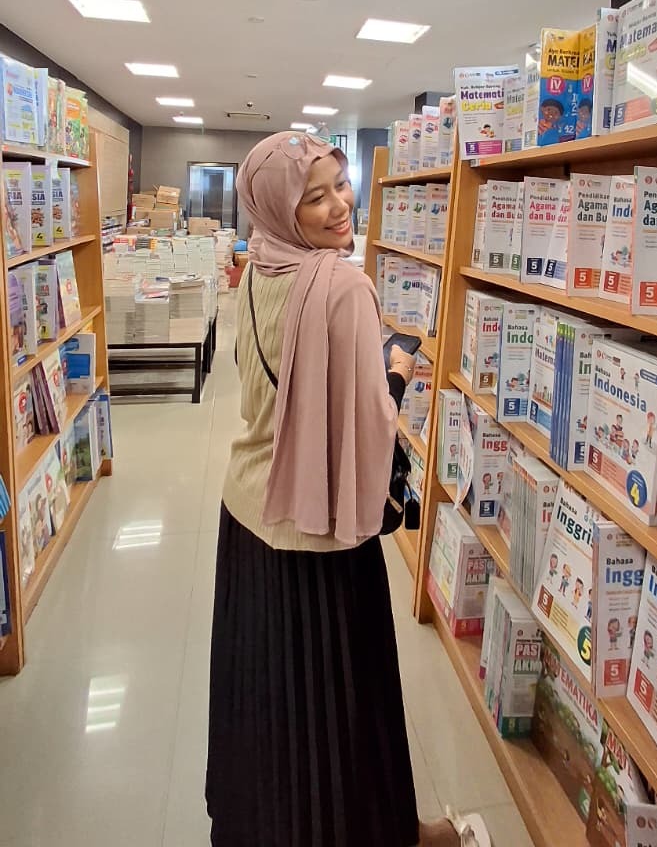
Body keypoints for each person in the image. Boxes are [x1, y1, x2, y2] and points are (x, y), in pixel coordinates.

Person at [206, 131, 490, 847]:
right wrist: (396, 374)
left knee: (266, 691)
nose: (339, 205)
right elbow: (367, 428)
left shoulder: (258, 265)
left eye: (340, 183)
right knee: (345, 695)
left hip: (248, 510)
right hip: (318, 521)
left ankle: (267, 826)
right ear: (282, 209)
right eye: (315, 197)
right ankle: (380, 831)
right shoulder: (342, 286)